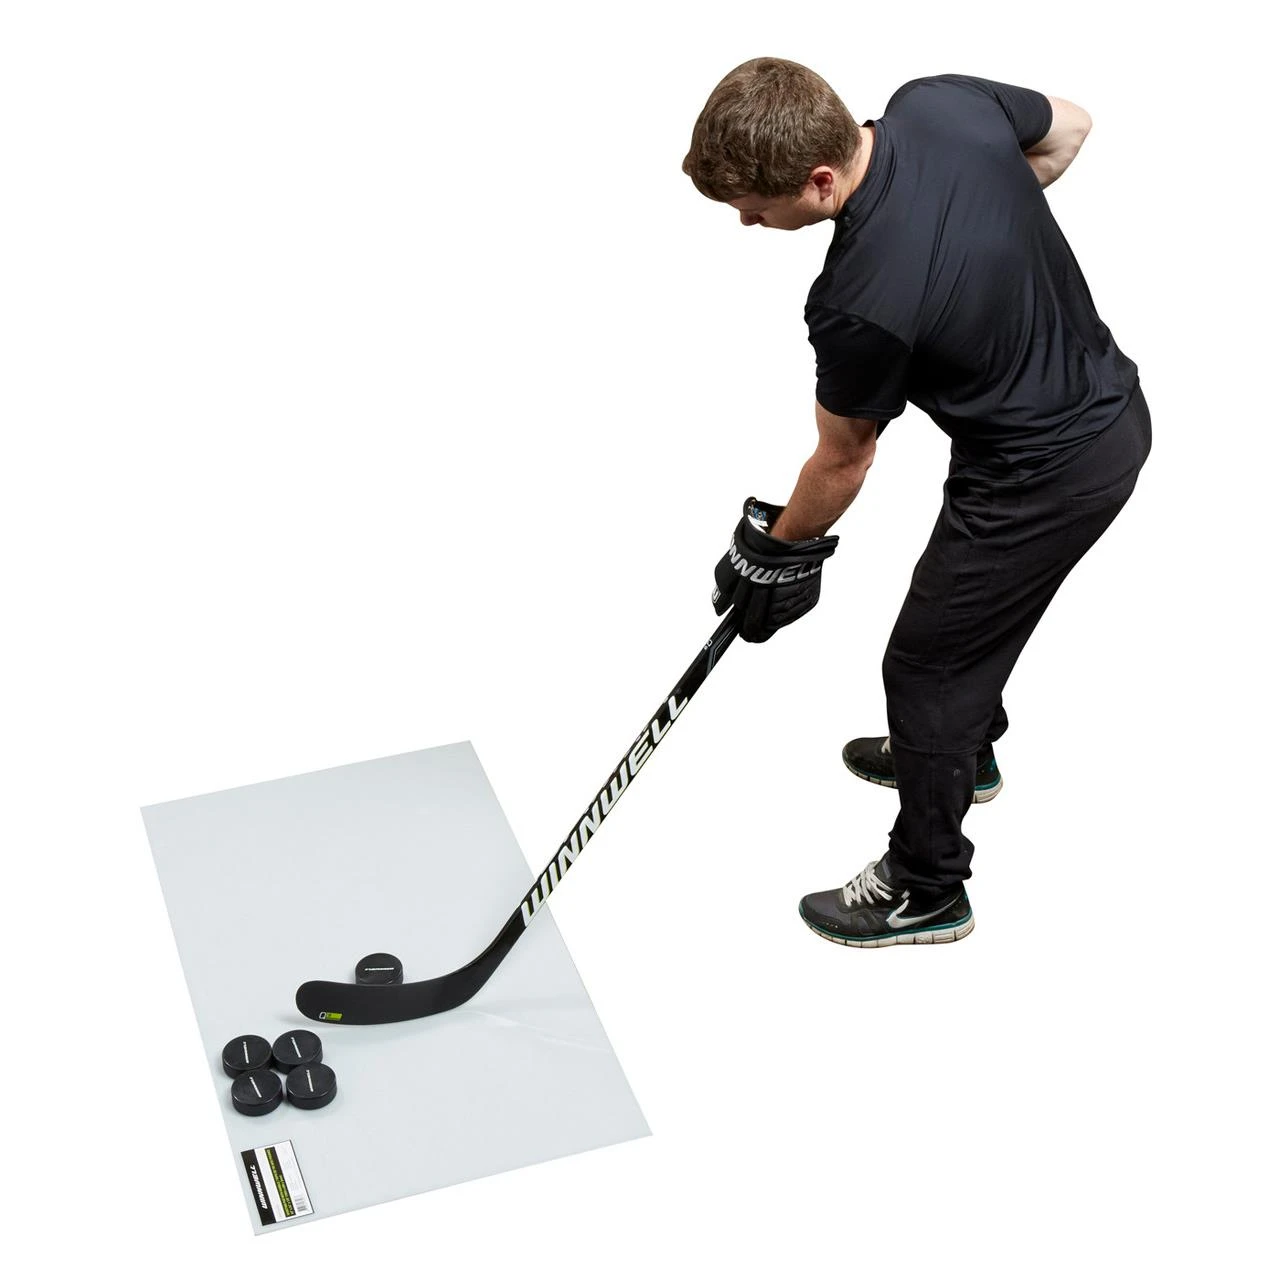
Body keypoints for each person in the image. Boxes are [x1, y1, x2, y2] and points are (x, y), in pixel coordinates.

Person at [684, 60, 1151, 948]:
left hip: (1042, 475)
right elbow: (1071, 125)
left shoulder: (857, 301)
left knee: (926, 669)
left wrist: (775, 551)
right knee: (964, 629)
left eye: (754, 207)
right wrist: (984, 238)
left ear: (821, 180)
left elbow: (845, 459)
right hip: (1110, 411)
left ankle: (927, 886)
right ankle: (958, 754)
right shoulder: (939, 104)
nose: (746, 223)